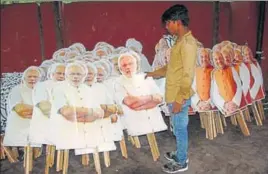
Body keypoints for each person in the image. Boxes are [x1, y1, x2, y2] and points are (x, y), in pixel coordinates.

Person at [146, 4, 198, 172]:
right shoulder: (179, 41)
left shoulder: (188, 44)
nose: (167, 27)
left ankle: (182, 161)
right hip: (173, 93)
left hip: (178, 95)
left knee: (180, 129)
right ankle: (179, 153)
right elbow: (171, 67)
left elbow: (188, 75)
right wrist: (153, 73)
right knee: (177, 127)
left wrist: (180, 99)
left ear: (177, 22)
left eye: (168, 23)